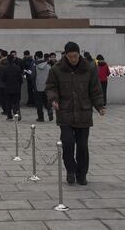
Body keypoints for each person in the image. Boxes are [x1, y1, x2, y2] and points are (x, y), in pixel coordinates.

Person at [45, 42, 105, 186]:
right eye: (70, 56)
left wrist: (99, 106)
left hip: (83, 112)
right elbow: (51, 87)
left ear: (79, 54)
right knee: (68, 143)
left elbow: (95, 89)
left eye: (76, 56)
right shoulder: (56, 69)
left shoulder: (89, 68)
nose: (73, 59)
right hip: (65, 112)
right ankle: (70, 171)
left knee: (82, 146)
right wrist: (53, 99)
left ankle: (82, 174)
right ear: (65, 55)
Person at [0, 55, 24, 120]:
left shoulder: (5, 68)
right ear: (13, 59)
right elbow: (20, 78)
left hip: (8, 88)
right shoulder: (17, 67)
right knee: (16, 102)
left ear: (7, 60)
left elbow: (3, 79)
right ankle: (17, 114)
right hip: (16, 87)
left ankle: (9, 116)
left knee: (8, 102)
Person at [33, 51, 54, 123]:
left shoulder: (35, 66)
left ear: (36, 56)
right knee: (47, 101)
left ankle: (40, 117)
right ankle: (49, 110)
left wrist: (34, 86)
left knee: (39, 103)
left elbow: (33, 77)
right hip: (47, 87)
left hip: (38, 86)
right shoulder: (48, 66)